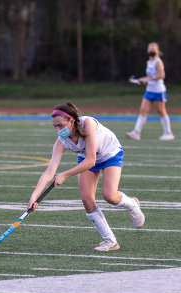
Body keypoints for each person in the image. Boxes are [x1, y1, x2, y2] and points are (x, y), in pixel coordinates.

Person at [27, 103, 145, 252]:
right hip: (87, 157)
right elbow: (49, 172)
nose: (58, 130)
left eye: (60, 125)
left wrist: (64, 174)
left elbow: (91, 160)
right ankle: (110, 240)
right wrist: (34, 197)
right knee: (86, 199)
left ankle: (132, 204)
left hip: (110, 153)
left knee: (110, 196)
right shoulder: (61, 141)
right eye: (54, 127)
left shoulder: (87, 124)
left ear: (71, 121)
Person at [126, 42, 174, 141]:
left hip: (158, 91)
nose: (151, 51)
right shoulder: (149, 62)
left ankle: (168, 133)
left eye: (153, 49)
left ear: (157, 51)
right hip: (149, 90)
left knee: (161, 111)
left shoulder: (158, 61)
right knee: (143, 110)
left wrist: (148, 80)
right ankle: (136, 133)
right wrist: (142, 79)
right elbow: (150, 76)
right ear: (147, 51)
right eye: (150, 49)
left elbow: (162, 75)